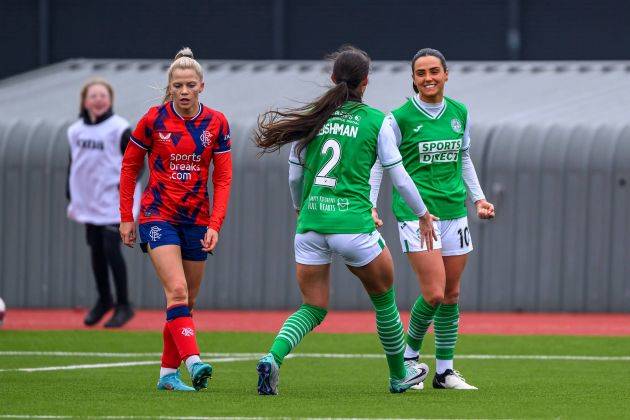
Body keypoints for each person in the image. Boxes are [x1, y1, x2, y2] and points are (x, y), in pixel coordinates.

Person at [254, 45, 438, 395]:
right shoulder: (376, 120)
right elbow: (398, 176)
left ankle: (272, 358)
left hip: (310, 224)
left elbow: (295, 177)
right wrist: (423, 213)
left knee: (313, 307)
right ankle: (399, 375)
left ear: (333, 79)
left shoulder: (314, 118)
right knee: (384, 297)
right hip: (352, 226)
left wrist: (300, 209)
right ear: (366, 81)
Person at [370, 48, 495, 390]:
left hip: (455, 211)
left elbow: (464, 156)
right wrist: (371, 204)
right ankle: (409, 359)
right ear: (413, 79)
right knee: (435, 294)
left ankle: (444, 371)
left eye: (434, 71)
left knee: (452, 294)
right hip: (416, 215)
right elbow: (381, 163)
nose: (428, 78)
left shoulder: (459, 112)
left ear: (446, 74)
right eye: (421, 73)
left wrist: (479, 198)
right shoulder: (399, 118)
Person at [118, 47, 232, 392]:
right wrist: (126, 216)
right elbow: (129, 167)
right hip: (158, 214)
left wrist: (215, 224)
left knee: (186, 302)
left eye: (190, 85)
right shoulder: (153, 120)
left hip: (197, 219)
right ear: (170, 87)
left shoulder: (217, 123)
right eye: (178, 85)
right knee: (177, 290)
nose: (184, 91)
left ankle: (168, 373)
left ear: (202, 86)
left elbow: (223, 178)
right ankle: (195, 361)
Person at [67, 78, 138, 328]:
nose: (98, 99)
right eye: (93, 95)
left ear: (110, 99)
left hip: (113, 200)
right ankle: (104, 299)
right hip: (88, 200)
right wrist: (71, 192)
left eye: (103, 95)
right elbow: (73, 163)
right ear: (85, 101)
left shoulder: (119, 128)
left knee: (111, 248)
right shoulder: (75, 130)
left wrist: (124, 191)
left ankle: (124, 305)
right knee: (96, 250)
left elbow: (135, 163)